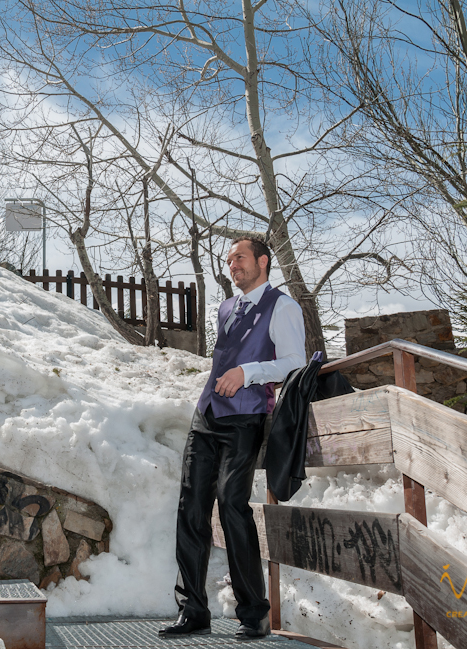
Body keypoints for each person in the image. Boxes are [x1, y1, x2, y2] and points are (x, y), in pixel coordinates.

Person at [159, 237, 306, 640]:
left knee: (232, 505)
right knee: (191, 508)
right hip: (206, 415)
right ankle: (192, 610)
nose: (232, 265)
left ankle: (254, 612)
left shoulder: (283, 306)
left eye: (239, 257)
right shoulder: (227, 307)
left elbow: (294, 363)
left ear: (263, 261)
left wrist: (248, 372)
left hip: (245, 418)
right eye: (228, 261)